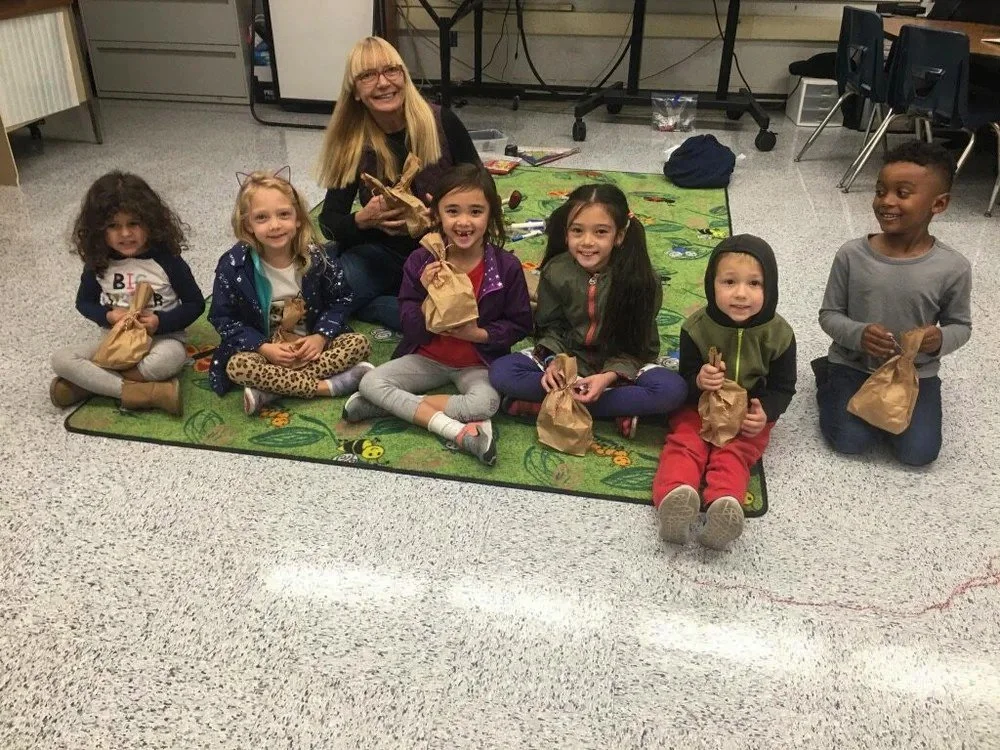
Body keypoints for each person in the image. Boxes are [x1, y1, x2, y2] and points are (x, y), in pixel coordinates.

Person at [342, 164, 532, 465]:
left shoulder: (506, 266)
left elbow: (520, 323)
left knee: (487, 402)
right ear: (437, 215)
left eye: (476, 212)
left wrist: (479, 335)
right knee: (370, 382)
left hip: (477, 362)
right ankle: (455, 430)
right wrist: (426, 292)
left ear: (491, 215)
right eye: (453, 211)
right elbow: (408, 317)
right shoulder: (422, 260)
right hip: (427, 356)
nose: (463, 222)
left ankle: (388, 406)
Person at [815, 140, 971, 466]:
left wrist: (940, 339)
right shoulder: (851, 255)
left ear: (938, 204)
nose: (886, 201)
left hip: (914, 372)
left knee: (919, 453)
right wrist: (858, 334)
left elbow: (961, 326)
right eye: (880, 190)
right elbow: (829, 314)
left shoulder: (953, 267)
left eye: (902, 193)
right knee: (849, 441)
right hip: (853, 364)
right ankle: (826, 375)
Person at [488, 184, 687, 438]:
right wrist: (554, 362)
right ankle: (616, 408)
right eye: (577, 231)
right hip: (571, 361)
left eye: (601, 232)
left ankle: (550, 405)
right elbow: (551, 327)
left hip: (620, 365)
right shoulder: (556, 271)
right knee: (501, 372)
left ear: (619, 235)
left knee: (672, 389)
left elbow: (640, 347)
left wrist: (608, 377)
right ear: (566, 232)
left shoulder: (643, 281)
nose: (587, 242)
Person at [316, 36, 481, 331]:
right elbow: (329, 221)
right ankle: (403, 305)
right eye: (367, 76)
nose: (382, 83)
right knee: (325, 295)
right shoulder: (353, 142)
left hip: (446, 249)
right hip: (382, 252)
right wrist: (361, 221)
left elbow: (483, 189)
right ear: (355, 91)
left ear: (404, 77)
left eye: (391, 70)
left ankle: (394, 305)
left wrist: (446, 214)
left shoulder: (441, 121)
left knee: (474, 307)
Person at [652, 235, 796, 551]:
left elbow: (784, 387)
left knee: (735, 452)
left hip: (747, 411)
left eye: (755, 284)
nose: (741, 294)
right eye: (729, 282)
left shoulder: (780, 334)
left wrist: (766, 412)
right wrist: (698, 380)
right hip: (700, 406)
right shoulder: (696, 326)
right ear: (710, 283)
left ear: (769, 287)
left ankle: (724, 505)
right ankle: (675, 498)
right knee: (685, 442)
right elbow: (685, 378)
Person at [208, 170, 373, 415]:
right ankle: (325, 387)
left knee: (358, 343)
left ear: (298, 218)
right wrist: (263, 347)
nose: (275, 225)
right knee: (238, 366)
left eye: (284, 214)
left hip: (311, 346)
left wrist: (320, 337)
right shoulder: (233, 265)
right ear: (247, 225)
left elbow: (342, 298)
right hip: (265, 351)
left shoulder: (316, 257)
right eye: (262, 218)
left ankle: (273, 389)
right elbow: (223, 318)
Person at [50, 171, 205, 415]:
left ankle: (88, 386)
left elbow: (195, 304)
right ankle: (145, 393)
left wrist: (159, 322)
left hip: (161, 339)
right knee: (61, 359)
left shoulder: (167, 259)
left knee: (170, 359)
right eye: (113, 226)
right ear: (98, 230)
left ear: (151, 222)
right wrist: (109, 316)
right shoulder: (98, 262)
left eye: (133, 223)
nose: (125, 234)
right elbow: (84, 302)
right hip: (114, 341)